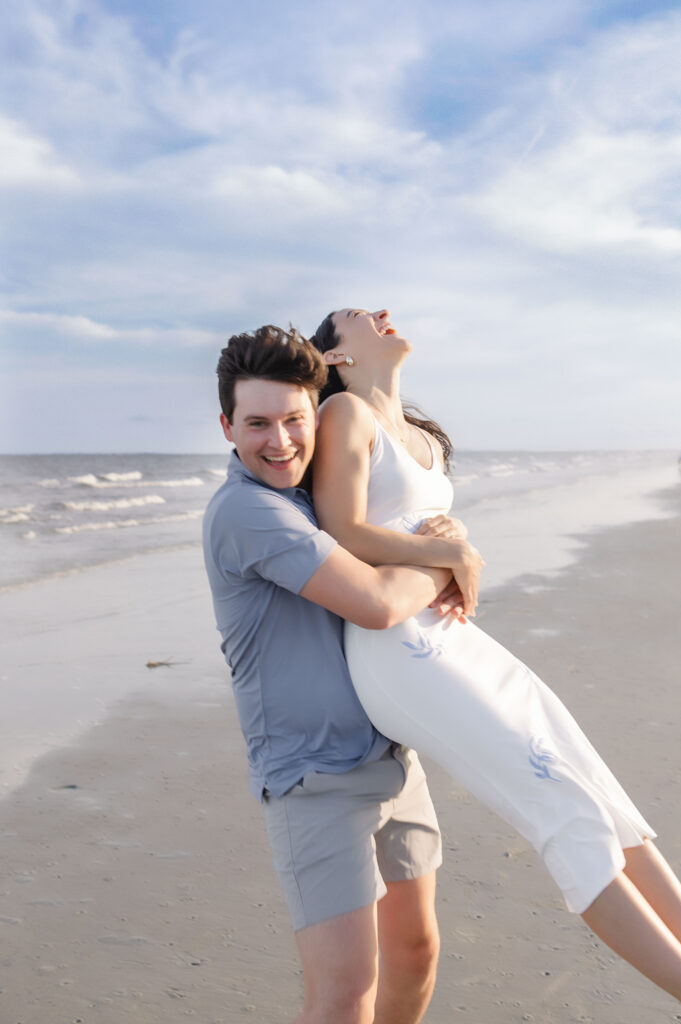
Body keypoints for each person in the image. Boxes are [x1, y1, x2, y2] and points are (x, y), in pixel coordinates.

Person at [309, 306, 681, 1002]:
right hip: (397, 649)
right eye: (356, 316)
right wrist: (448, 549)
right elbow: (341, 531)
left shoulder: (415, 434)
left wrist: (449, 542)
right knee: (560, 808)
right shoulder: (343, 416)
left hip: (452, 637)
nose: (380, 314)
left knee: (595, 787)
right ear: (335, 358)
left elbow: (410, 524)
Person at [203, 324, 470, 1024]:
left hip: (388, 753)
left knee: (414, 952)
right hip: (312, 775)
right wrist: (447, 559)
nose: (280, 441)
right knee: (344, 992)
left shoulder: (315, 495)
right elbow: (379, 604)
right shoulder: (248, 512)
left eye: (294, 420)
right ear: (226, 426)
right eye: (257, 423)